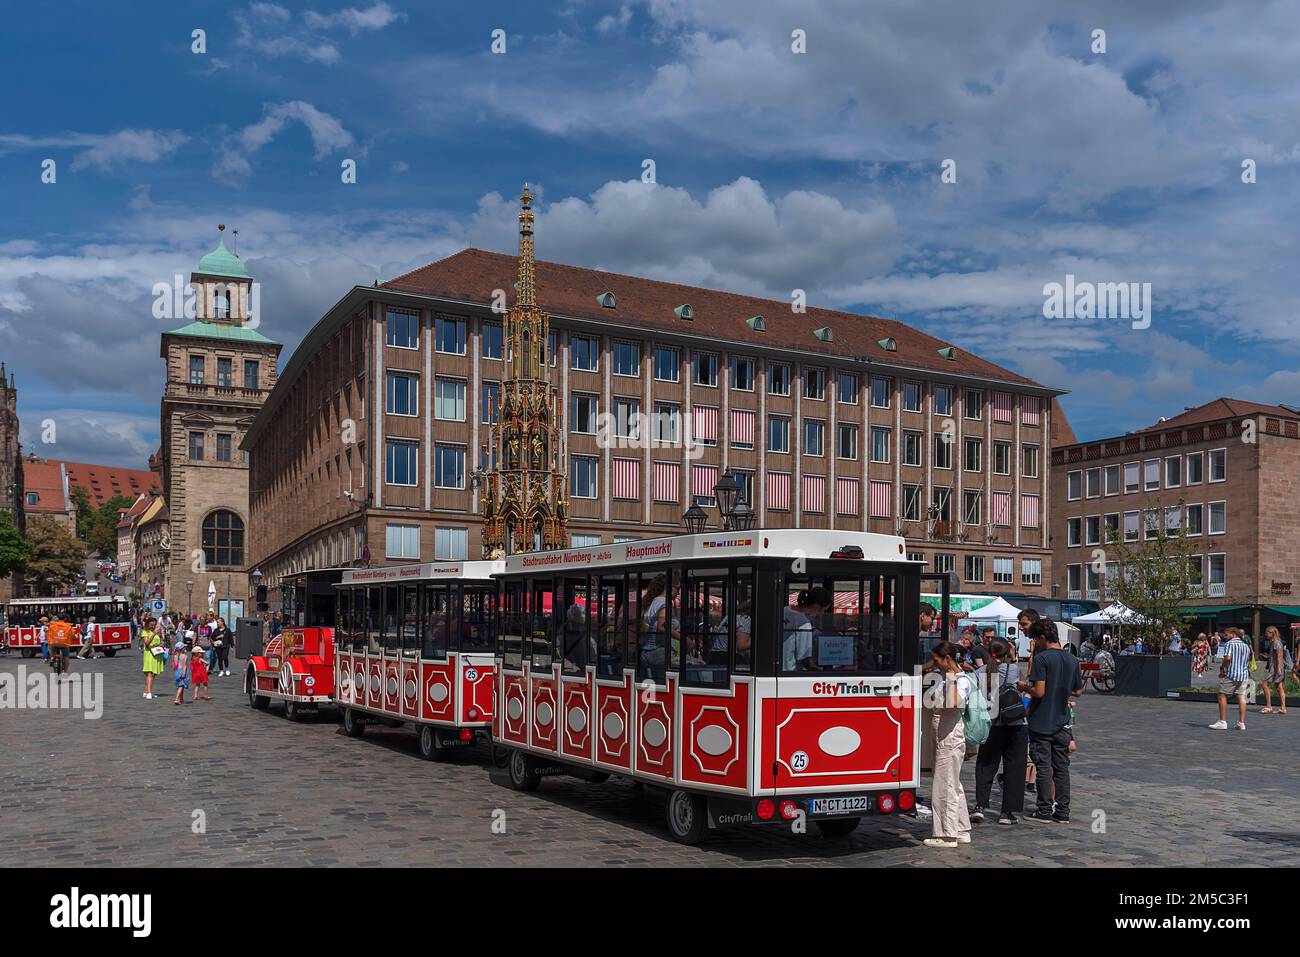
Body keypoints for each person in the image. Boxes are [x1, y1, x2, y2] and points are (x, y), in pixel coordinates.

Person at [1018, 617, 1082, 823]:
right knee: (1062, 768)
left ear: (1043, 638)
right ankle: (1063, 812)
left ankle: (1044, 810)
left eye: (1036, 639)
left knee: (1044, 766)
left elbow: (1039, 691)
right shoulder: (1072, 659)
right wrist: (1061, 689)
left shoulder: (1042, 659)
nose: (1035, 643)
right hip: (1062, 721)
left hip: (1042, 720)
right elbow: (1078, 691)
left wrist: (1023, 686)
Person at [921, 641, 972, 848]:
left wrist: (950, 677)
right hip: (943, 734)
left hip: (950, 736)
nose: (934, 664)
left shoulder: (960, 680)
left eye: (937, 660)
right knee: (952, 782)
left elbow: (953, 702)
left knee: (945, 784)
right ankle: (960, 828)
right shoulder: (946, 676)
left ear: (947, 659)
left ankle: (946, 833)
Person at [971, 639, 1027, 825]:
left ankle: (980, 806)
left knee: (986, 765)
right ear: (1007, 653)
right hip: (1015, 723)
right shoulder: (1013, 670)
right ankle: (1007, 812)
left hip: (992, 723)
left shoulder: (980, 672)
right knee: (1014, 767)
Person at [1210, 627, 1252, 731]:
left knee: (1222, 694)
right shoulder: (1246, 645)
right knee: (1241, 697)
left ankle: (1222, 721)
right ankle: (1241, 723)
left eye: (1226, 634)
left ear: (1233, 634)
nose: (1224, 636)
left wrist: (1222, 667)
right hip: (1244, 674)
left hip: (1232, 674)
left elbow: (1228, 658)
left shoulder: (1230, 644)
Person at [782, 587, 833, 671]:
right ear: (816, 606)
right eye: (823, 610)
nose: (822, 614)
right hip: (790, 671)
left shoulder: (784, 610)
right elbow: (805, 659)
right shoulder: (804, 624)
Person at [1259, 625, 1289, 715]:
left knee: (1264, 684)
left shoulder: (1276, 642)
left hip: (1275, 668)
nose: (1266, 635)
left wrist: (1279, 669)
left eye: (1267, 633)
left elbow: (1279, 656)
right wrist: (1267, 656)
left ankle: (1269, 706)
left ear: (1272, 633)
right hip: (1275, 667)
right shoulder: (1274, 643)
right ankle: (1283, 708)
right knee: (1279, 687)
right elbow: (1275, 656)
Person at [141, 617, 164, 698]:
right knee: (150, 673)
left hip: (156, 654)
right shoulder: (145, 632)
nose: (153, 627)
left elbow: (157, 641)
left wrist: (161, 644)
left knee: (153, 674)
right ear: (147, 624)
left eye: (154, 625)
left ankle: (146, 691)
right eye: (151, 625)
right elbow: (147, 643)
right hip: (149, 654)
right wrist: (154, 633)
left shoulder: (155, 632)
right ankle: (149, 693)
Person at [172, 640, 191, 705]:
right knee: (181, 686)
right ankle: (177, 699)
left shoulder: (175, 656)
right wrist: (184, 673)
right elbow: (185, 665)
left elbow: (174, 666)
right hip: (182, 671)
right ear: (182, 649)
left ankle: (181, 699)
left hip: (177, 671)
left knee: (181, 685)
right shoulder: (185, 656)